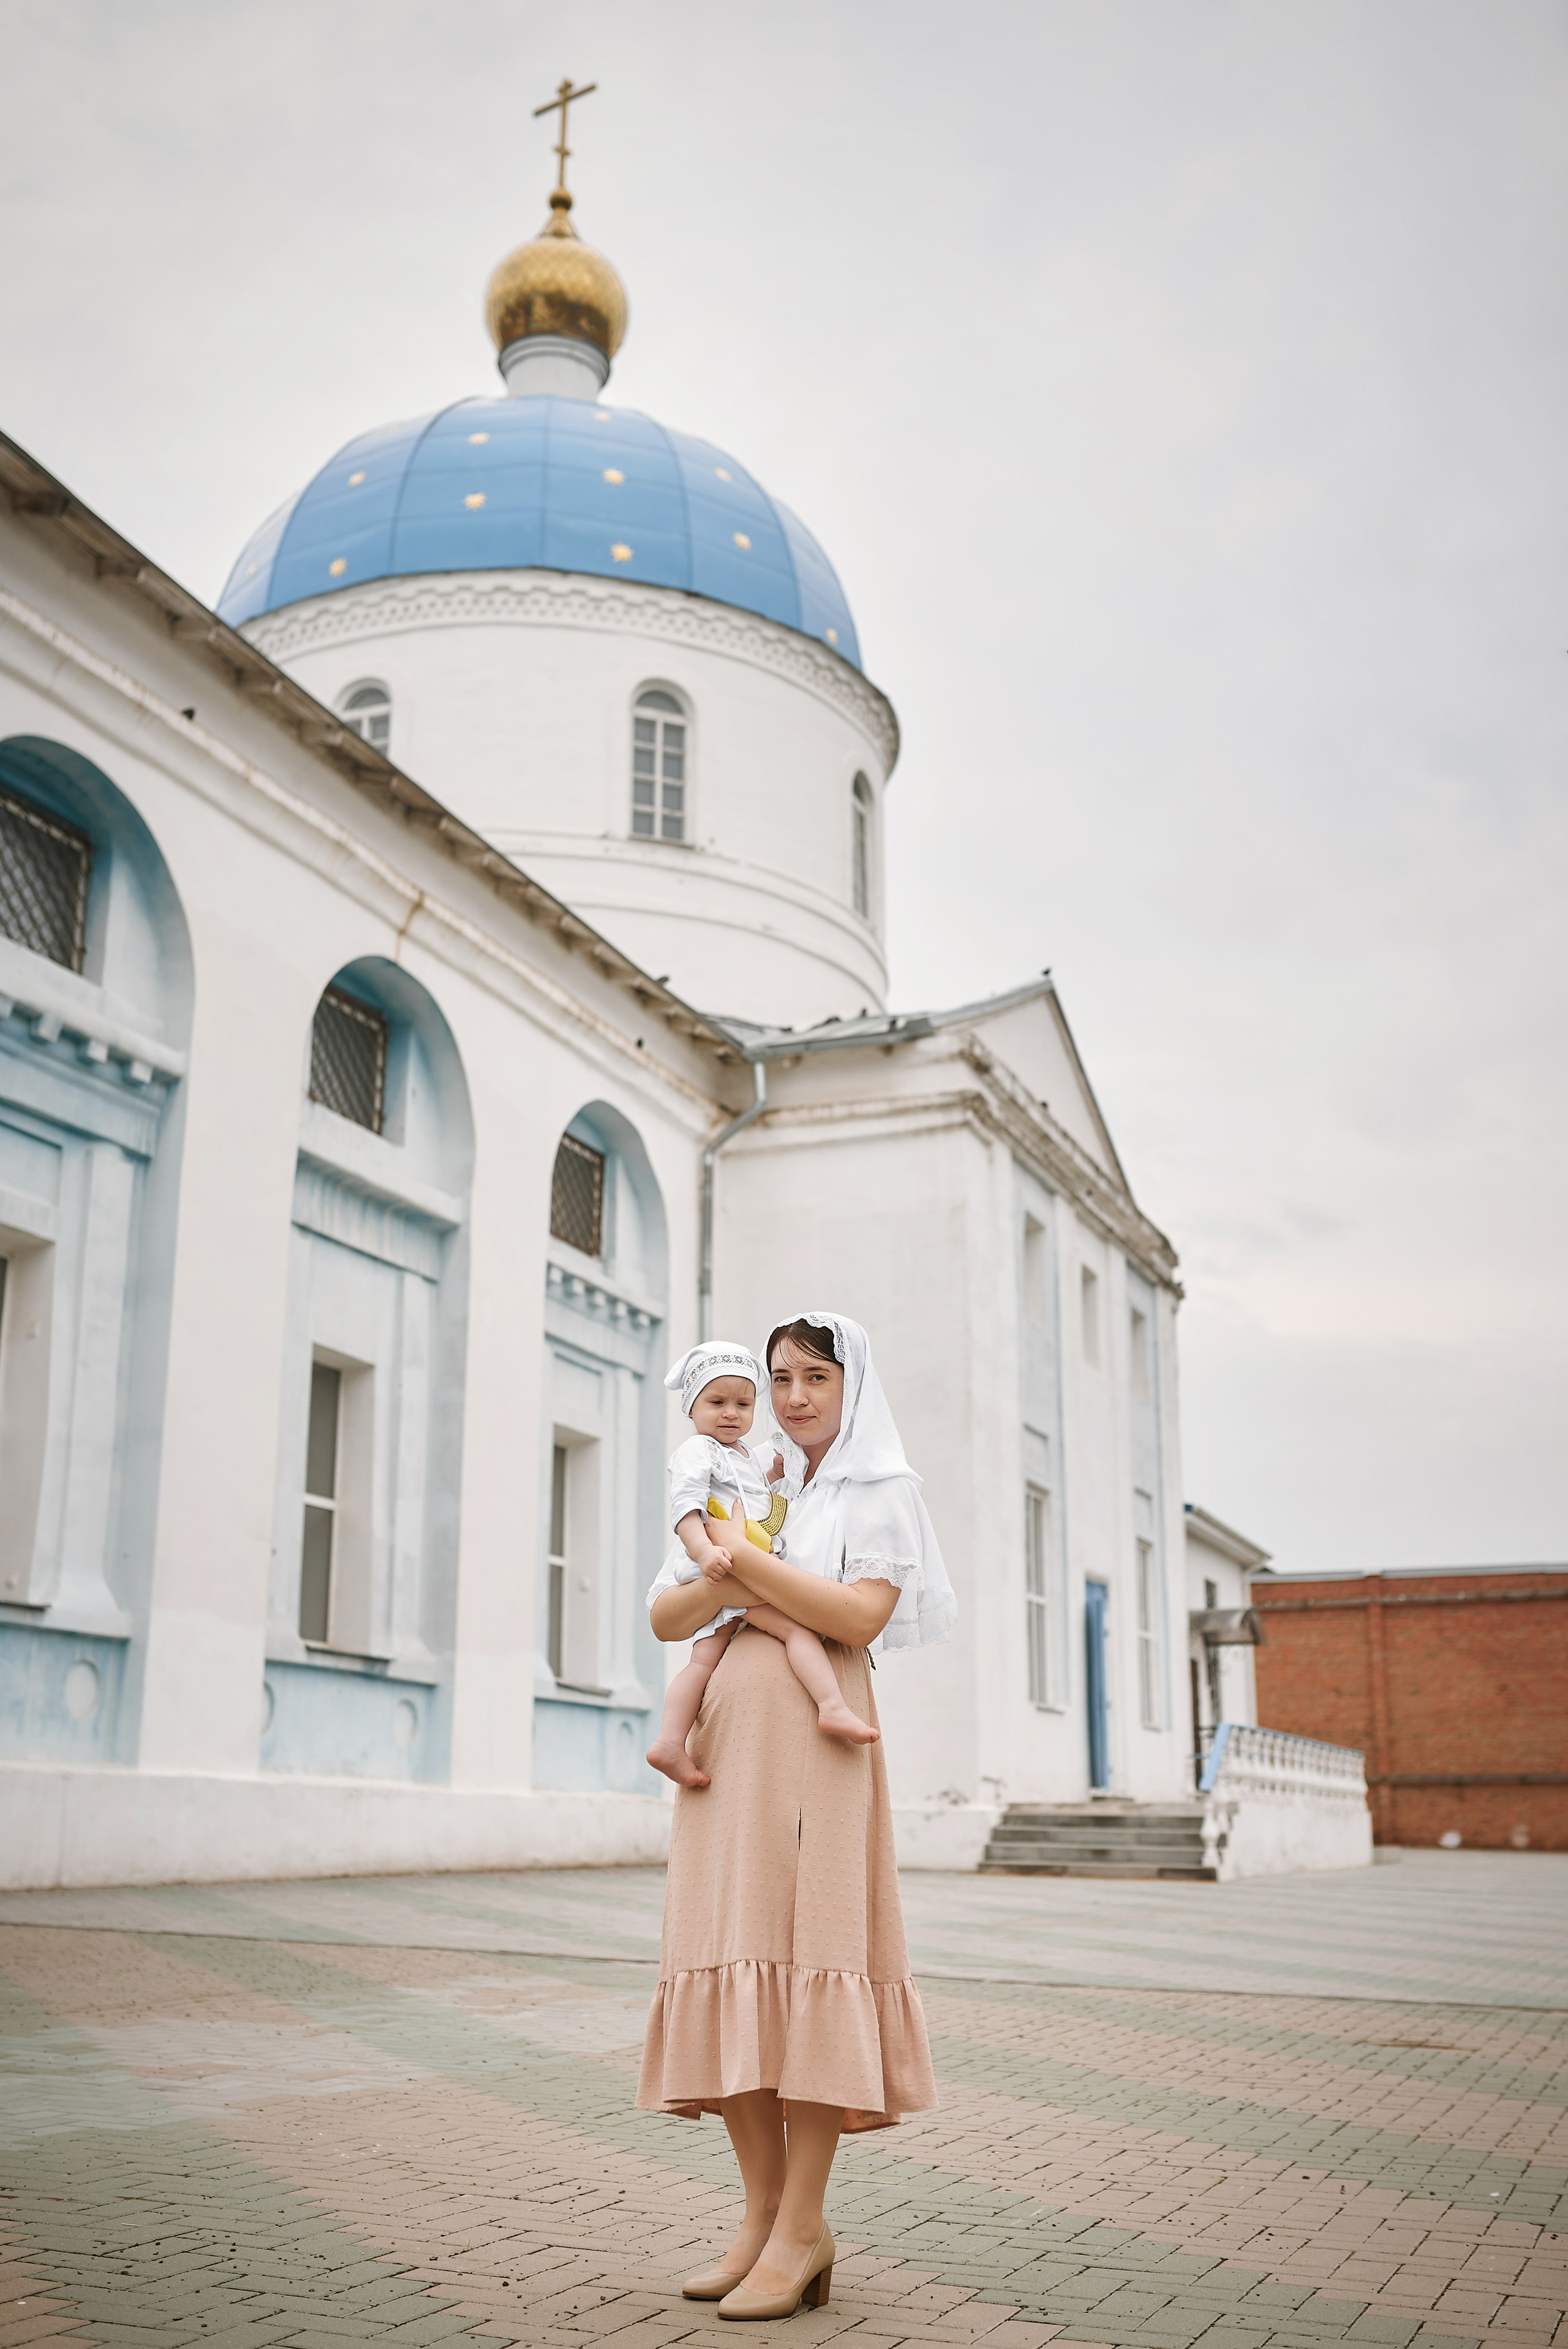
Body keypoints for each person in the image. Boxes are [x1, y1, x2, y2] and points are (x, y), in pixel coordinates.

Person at [638, 1312, 958, 2321]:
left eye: (815, 1375)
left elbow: (857, 1616)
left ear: (851, 1382)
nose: (793, 1395)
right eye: (778, 1376)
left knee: (812, 1956)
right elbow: (668, 1611)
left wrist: (737, 1560)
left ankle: (805, 2221)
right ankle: (763, 2218)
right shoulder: (747, 1472)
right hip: (728, 1754)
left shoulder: (879, 1488)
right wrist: (732, 1556)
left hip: (823, 1746)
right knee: (733, 1953)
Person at [646, 1340, 881, 1788]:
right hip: (723, 1563)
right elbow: (686, 1511)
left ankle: (669, 1743)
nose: (731, 1413)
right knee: (795, 1629)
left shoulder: (738, 1455)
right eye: (717, 1403)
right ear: (692, 1406)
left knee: (702, 1660)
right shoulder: (698, 1450)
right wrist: (705, 1553)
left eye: (743, 1403)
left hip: (733, 1562)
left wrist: (770, 1476)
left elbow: (752, 1498)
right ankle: (831, 1705)